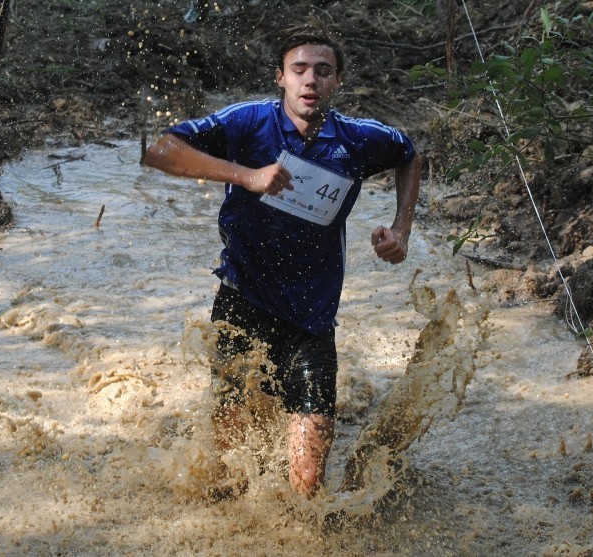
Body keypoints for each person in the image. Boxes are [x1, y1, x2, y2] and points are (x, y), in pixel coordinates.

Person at [140, 17, 422, 498]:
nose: (311, 80)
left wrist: (401, 229)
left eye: (323, 70)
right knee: (227, 478)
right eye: (299, 70)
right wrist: (246, 175)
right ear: (281, 78)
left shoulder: (357, 139)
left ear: (338, 80)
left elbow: (410, 155)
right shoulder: (247, 122)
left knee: (307, 490)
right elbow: (160, 150)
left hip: (311, 319)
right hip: (241, 305)